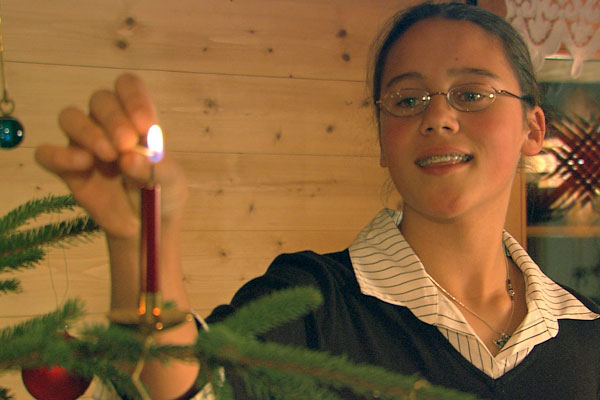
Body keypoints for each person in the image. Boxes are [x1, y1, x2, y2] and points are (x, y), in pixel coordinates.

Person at [35, 2, 600, 399]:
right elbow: (193, 387)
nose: (438, 117)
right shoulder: (309, 303)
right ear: (383, 140)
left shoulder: (585, 330)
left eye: (472, 93)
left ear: (533, 128)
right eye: (407, 100)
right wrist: (142, 249)